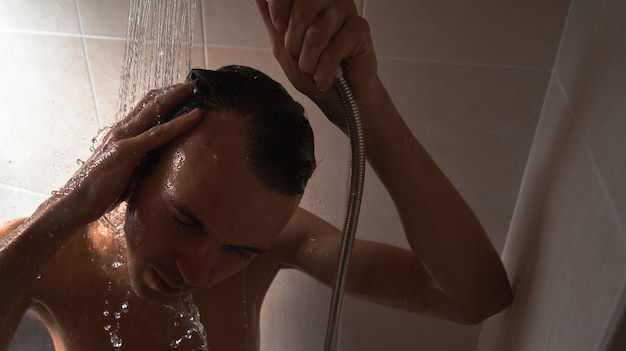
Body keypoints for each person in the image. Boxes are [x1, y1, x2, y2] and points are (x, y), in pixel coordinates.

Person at [0, 0, 513, 350]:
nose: (196, 273)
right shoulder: (43, 251)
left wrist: (368, 110)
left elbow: (470, 298)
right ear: (135, 168)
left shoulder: (281, 242)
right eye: (185, 219)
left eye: (241, 251)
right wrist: (64, 212)